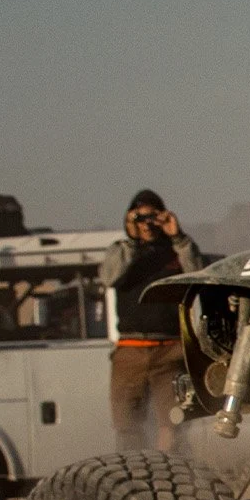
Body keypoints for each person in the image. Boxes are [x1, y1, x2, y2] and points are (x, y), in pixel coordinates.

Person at [100, 189, 204, 451]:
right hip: (131, 350)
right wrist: (133, 239)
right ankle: (134, 470)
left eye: (153, 216)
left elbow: (198, 274)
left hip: (170, 349)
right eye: (141, 217)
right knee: (126, 422)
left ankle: (171, 468)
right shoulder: (122, 251)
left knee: (173, 420)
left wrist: (177, 235)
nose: (147, 223)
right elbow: (109, 277)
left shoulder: (176, 249)